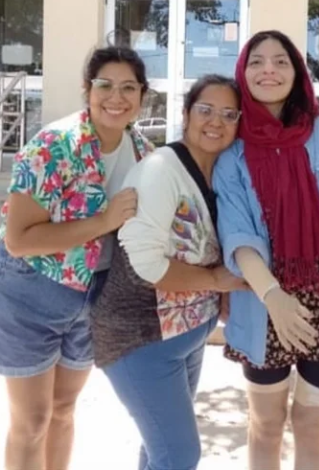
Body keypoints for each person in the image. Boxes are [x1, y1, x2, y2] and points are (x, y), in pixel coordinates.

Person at [0, 45, 153, 470]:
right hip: (28, 291)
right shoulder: (54, 145)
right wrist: (103, 220)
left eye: (128, 87)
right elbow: (19, 239)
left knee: (63, 409)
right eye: (104, 85)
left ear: (143, 97)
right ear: (86, 90)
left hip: (95, 295)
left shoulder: (146, 153)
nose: (116, 97)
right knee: (32, 421)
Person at [213, 30, 319, 470]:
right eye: (256, 61)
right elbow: (237, 233)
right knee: (266, 424)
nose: (268, 69)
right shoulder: (232, 151)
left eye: (280, 61)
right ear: (242, 73)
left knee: (313, 426)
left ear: (298, 73)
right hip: (262, 300)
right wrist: (273, 297)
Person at [91, 74, 248, 470]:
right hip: (139, 340)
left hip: (186, 336)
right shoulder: (162, 169)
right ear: (186, 114)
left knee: (159, 449)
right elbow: (146, 265)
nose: (216, 121)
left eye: (228, 114)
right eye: (206, 110)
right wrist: (214, 281)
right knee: (179, 455)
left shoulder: (225, 172)